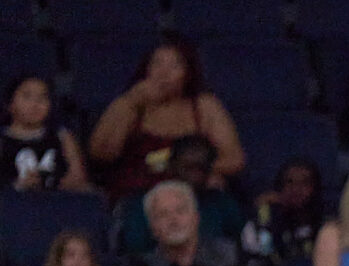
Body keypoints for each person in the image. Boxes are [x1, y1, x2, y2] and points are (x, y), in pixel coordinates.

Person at [86, 34, 241, 201]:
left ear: (188, 73)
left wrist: (198, 172)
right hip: (136, 194)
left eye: (175, 65)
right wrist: (130, 102)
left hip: (190, 194)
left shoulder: (204, 106)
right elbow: (101, 153)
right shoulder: (130, 103)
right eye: (157, 63)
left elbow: (234, 159)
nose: (164, 73)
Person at [0, 73, 85, 196]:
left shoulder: (62, 136)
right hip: (11, 203)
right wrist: (19, 186)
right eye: (27, 96)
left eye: (43, 97)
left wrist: (57, 184)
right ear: (10, 103)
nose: (35, 104)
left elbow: (78, 178)